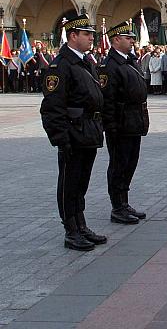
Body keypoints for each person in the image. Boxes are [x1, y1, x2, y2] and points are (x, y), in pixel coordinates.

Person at [40, 14, 106, 251]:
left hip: (88, 131)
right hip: (73, 134)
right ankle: (71, 229)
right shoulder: (61, 66)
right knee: (70, 183)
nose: (91, 38)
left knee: (82, 182)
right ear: (73, 36)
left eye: (92, 34)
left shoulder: (86, 62)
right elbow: (52, 108)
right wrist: (61, 139)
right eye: (87, 34)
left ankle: (81, 224)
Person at [98, 20, 150, 225]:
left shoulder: (129, 60)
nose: (132, 41)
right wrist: (110, 126)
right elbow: (107, 99)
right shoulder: (110, 65)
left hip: (133, 120)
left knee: (130, 164)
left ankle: (124, 202)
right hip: (120, 124)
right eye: (128, 38)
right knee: (119, 165)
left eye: (132, 38)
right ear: (116, 40)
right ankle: (117, 206)